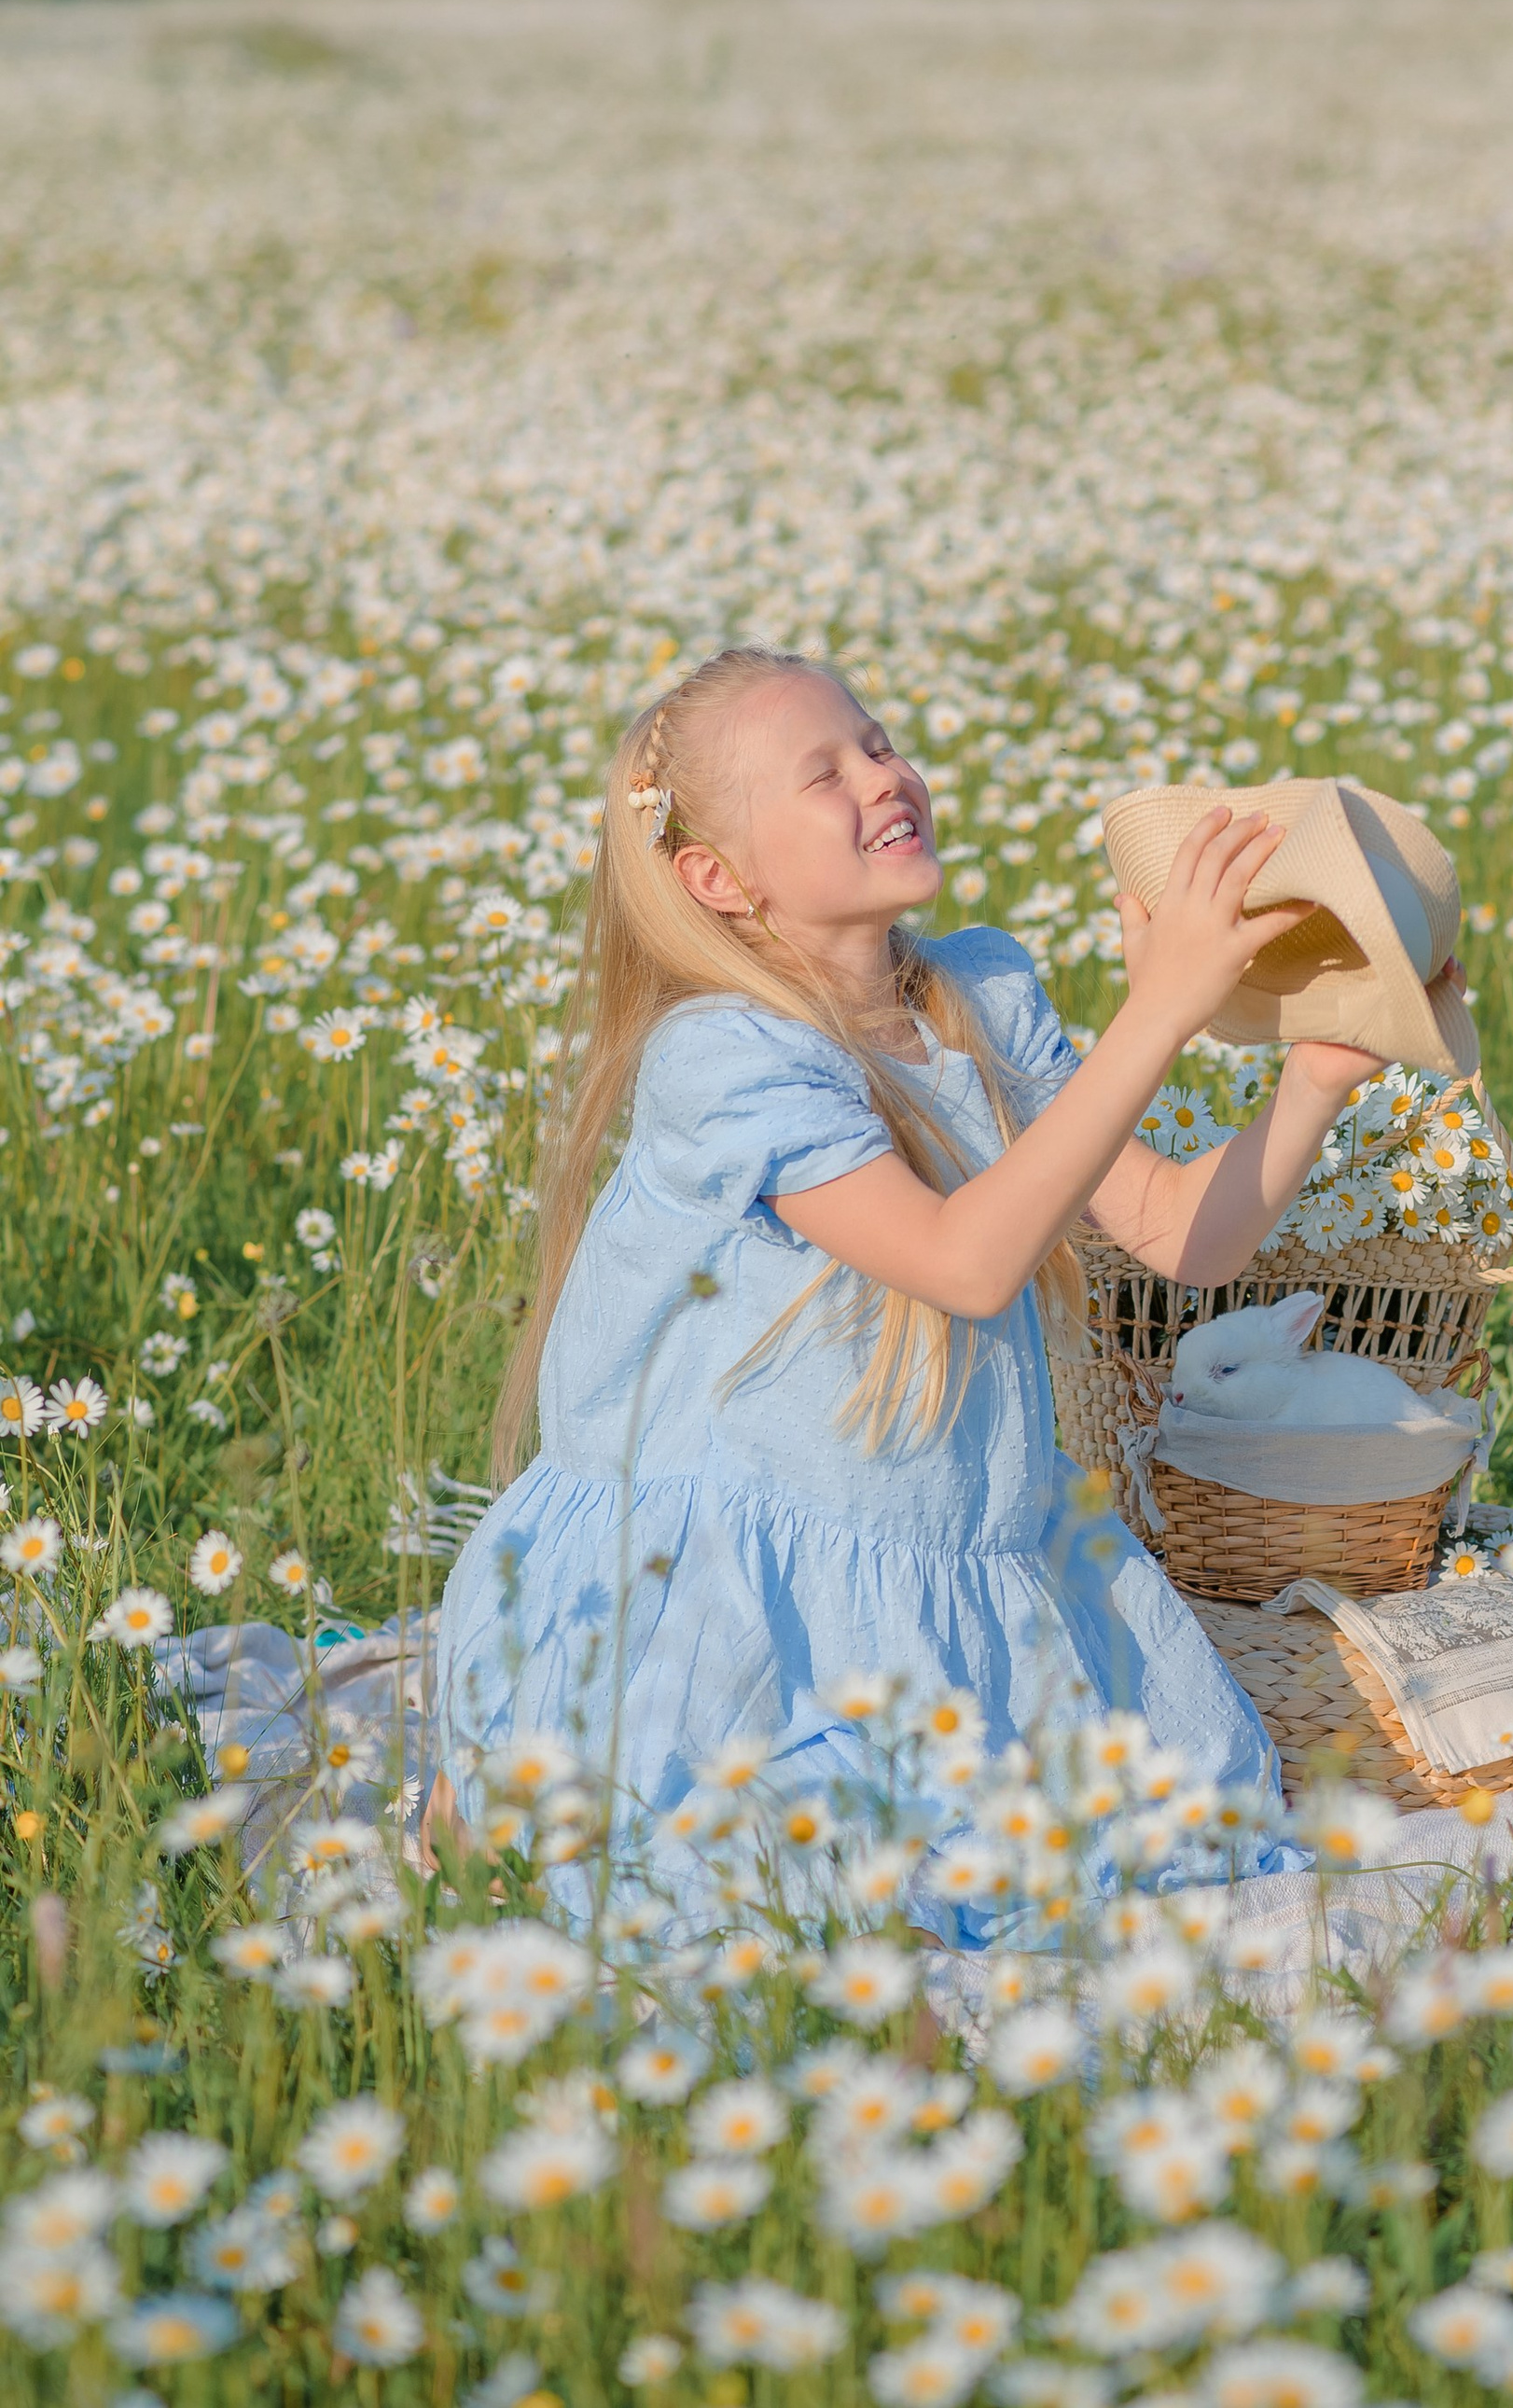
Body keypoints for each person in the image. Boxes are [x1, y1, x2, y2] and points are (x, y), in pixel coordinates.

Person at [430, 642, 1437, 1924]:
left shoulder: (974, 1000)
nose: (883, 775)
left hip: (949, 1555)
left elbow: (1186, 1234)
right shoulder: (726, 1061)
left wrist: (1312, 1081)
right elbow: (966, 1262)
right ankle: (496, 1803)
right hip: (738, 1594)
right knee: (740, 1897)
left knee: (1094, 1870)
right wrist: (1157, 1012)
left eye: (879, 740)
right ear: (717, 879)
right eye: (824, 772)